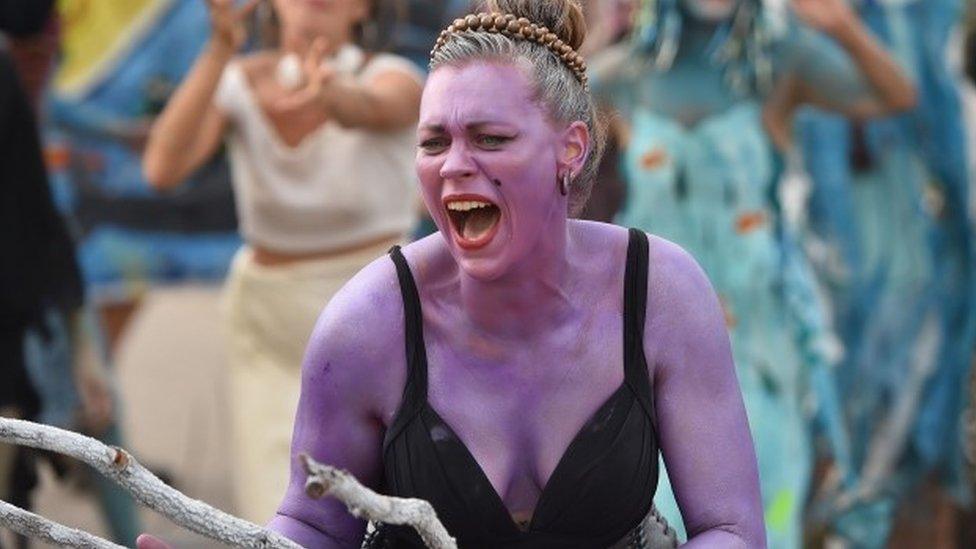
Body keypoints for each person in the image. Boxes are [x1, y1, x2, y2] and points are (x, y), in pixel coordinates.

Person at [139, 0, 764, 547]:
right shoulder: (369, 323)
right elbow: (316, 527)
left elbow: (731, 528)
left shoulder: (658, 292)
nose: (454, 166)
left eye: (489, 138)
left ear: (569, 149)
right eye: (434, 142)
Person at [590, 0, 916, 546]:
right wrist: (600, 32)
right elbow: (538, 113)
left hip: (758, 348)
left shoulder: (780, 65)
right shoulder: (626, 75)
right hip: (653, 340)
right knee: (655, 512)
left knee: (759, 509)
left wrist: (841, 25)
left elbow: (896, 94)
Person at [142, 0, 423, 523]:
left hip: (373, 316)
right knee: (279, 502)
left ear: (365, 8)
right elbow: (162, 167)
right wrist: (218, 51)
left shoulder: (395, 78)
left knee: (375, 499)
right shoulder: (237, 81)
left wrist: (331, 93)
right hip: (267, 323)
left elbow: (367, 107)